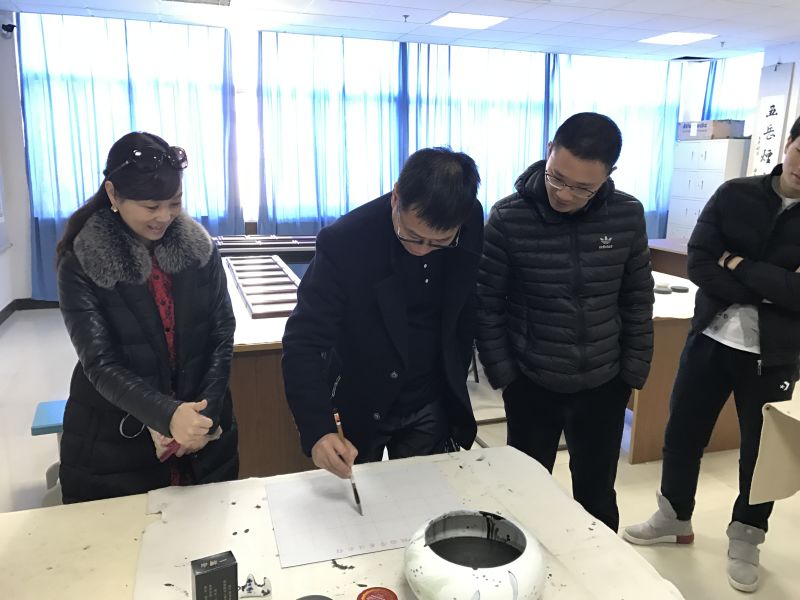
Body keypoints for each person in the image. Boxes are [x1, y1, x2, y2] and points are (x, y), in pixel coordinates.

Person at [623, 115, 800, 593]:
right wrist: (770, 289)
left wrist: (738, 264)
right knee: (682, 432)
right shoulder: (735, 194)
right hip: (709, 336)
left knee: (761, 453)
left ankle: (747, 537)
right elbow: (701, 259)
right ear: (788, 143)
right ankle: (674, 517)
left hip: (774, 355)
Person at [476, 112, 654, 532]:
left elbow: (636, 298)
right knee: (525, 492)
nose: (564, 194)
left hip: (603, 383)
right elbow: (486, 304)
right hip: (531, 383)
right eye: (557, 177)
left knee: (597, 495)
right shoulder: (509, 217)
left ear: (609, 175)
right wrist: (506, 377)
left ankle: (600, 567)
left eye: (582, 188)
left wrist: (631, 374)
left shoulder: (626, 214)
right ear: (548, 152)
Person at [56, 131, 239, 503]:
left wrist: (204, 416)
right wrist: (168, 416)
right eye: (151, 206)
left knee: (205, 528)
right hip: (117, 442)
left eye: (174, 203)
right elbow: (100, 362)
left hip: (201, 437)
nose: (164, 217)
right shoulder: (81, 263)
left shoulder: (200, 250)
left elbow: (221, 331)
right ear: (113, 194)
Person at [282, 147, 483, 479]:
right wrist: (317, 429)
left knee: (427, 494)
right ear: (396, 197)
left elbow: (464, 307)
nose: (422, 250)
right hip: (362, 393)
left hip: (431, 395)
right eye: (411, 236)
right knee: (356, 498)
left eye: (439, 242)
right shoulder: (346, 241)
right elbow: (304, 340)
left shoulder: (469, 218)